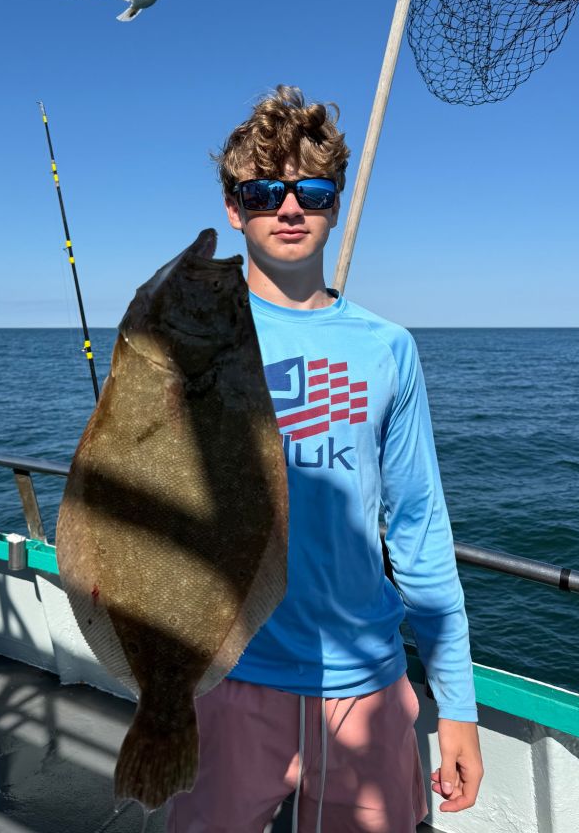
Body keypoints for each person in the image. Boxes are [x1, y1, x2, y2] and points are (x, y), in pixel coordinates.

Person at [165, 85, 483, 833]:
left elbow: (420, 533)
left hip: (368, 691)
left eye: (311, 189)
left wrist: (458, 706)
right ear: (234, 207)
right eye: (264, 189)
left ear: (334, 203)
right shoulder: (188, 339)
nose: (289, 206)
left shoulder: (388, 349)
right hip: (226, 682)